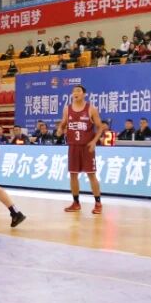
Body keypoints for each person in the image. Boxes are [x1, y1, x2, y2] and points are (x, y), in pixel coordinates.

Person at [57, 84, 106, 214]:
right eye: (73, 91)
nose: (75, 93)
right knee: (73, 175)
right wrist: (60, 129)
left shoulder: (91, 108)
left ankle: (98, 203)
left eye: (78, 91)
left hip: (86, 147)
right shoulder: (67, 109)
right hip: (73, 146)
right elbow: (63, 123)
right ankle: (76, 203)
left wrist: (94, 141)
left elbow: (100, 127)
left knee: (91, 175)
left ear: (84, 94)